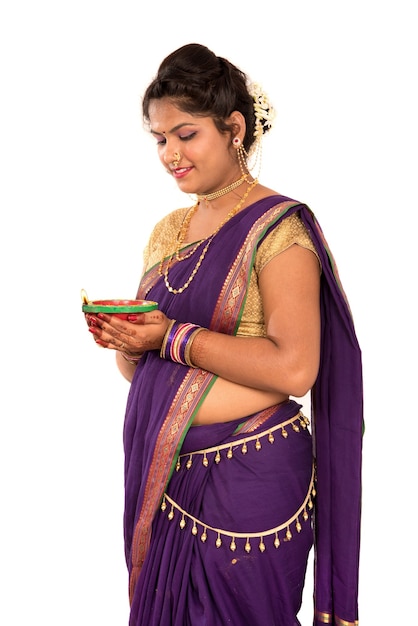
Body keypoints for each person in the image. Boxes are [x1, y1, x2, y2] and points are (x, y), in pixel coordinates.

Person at [85, 43, 363, 626]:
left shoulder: (278, 228)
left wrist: (168, 338)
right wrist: (128, 340)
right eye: (160, 139)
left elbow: (293, 370)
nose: (170, 154)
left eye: (186, 134)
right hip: (168, 476)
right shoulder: (168, 231)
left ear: (233, 128)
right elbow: (142, 368)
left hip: (251, 485)